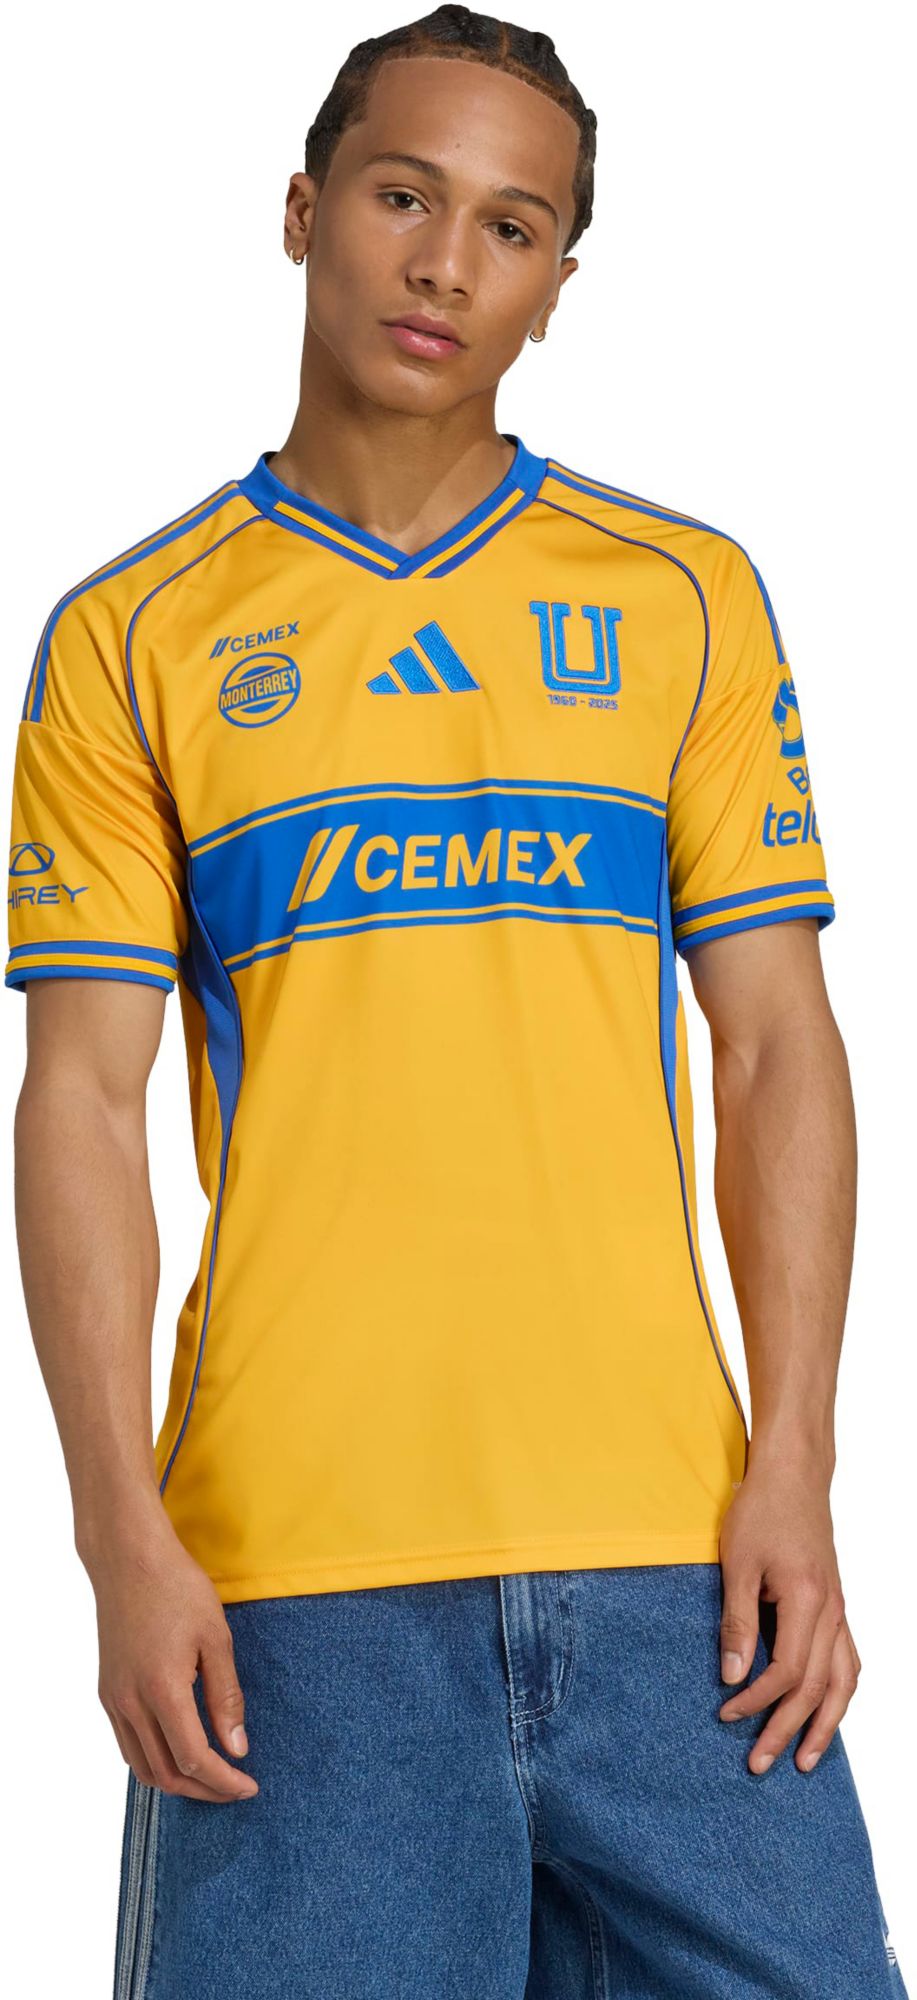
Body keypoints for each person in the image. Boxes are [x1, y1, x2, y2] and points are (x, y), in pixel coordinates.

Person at [5, 6, 907, 1996]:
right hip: (290, 1583)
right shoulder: (130, 638)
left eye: (512, 227)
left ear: (559, 283)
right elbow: (78, 1100)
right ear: (303, 210)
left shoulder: (681, 595)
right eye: (403, 198)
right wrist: (117, 1535)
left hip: (681, 1569)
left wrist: (797, 1465)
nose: (445, 266)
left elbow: (776, 1047)